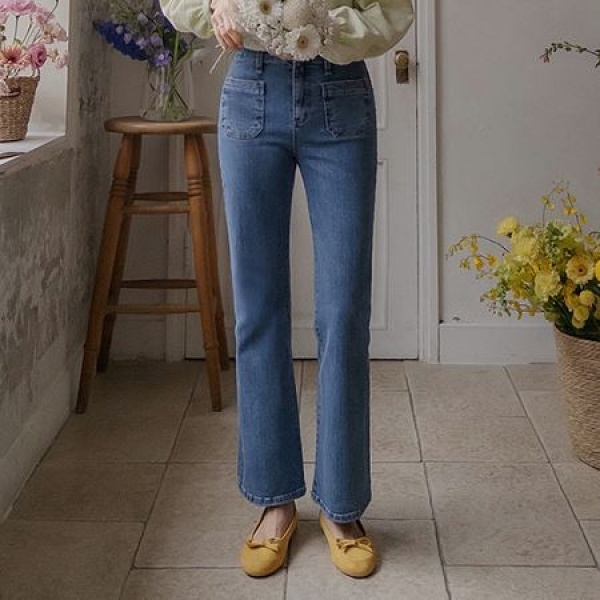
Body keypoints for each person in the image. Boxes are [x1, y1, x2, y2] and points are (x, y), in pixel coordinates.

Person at [160, 0, 414, 579]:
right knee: (258, 313)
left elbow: (395, 10)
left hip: (338, 95)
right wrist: (216, 8)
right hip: (252, 92)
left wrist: (325, 30)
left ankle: (342, 507)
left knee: (344, 313)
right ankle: (274, 500)